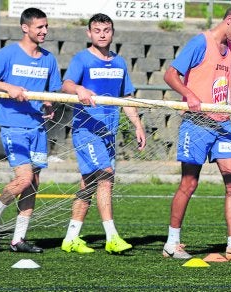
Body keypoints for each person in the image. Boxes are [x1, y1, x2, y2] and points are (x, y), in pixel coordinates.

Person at [162, 3, 231, 261]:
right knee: (189, 182)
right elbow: (170, 75)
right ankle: (172, 243)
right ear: (229, 20)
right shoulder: (200, 42)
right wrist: (189, 95)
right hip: (196, 123)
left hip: (222, 124)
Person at [60, 13, 146, 254]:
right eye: (97, 30)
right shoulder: (82, 59)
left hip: (109, 133)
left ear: (112, 32)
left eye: (106, 30)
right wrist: (78, 89)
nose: (102, 34)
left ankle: (71, 238)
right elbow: (65, 84)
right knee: (106, 177)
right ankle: (112, 237)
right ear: (89, 33)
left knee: (87, 184)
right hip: (86, 130)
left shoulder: (119, 62)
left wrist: (137, 125)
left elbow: (126, 97)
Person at [0, 7, 62, 253]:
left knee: (33, 183)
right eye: (39, 27)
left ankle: (18, 239)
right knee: (24, 178)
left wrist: (49, 102)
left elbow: (53, 90)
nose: (44, 31)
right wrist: (7, 86)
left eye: (46, 26)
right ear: (25, 27)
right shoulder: (7, 54)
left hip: (38, 128)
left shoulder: (49, 58)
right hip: (14, 125)